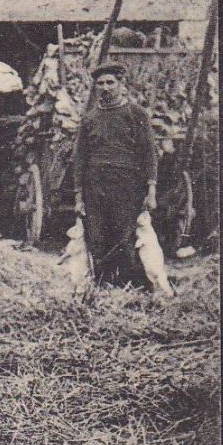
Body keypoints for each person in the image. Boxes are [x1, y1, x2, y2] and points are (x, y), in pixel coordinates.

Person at [74, 62, 157, 289]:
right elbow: (80, 158)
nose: (105, 87)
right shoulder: (90, 119)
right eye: (100, 83)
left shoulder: (136, 114)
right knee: (97, 239)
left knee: (125, 239)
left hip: (127, 185)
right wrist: (79, 196)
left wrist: (151, 189)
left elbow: (149, 152)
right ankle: (102, 288)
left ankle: (135, 289)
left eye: (110, 82)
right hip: (95, 186)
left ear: (121, 85)